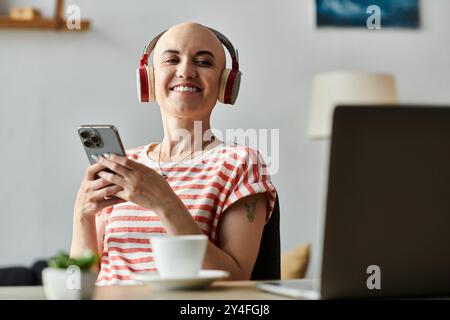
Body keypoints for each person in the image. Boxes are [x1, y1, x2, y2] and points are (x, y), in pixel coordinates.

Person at [70, 22, 277, 285]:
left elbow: (234, 279)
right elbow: (79, 284)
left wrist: (165, 203)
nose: (186, 71)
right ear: (149, 78)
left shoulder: (240, 163)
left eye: (203, 62)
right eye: (172, 60)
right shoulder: (125, 166)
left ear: (225, 84)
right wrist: (82, 215)